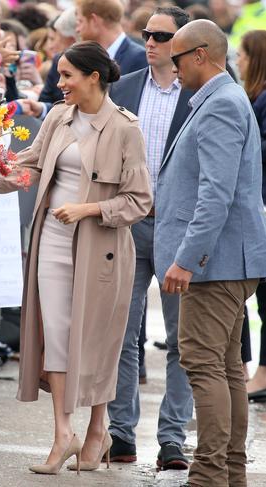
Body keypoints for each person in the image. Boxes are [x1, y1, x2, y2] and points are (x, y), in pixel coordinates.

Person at [0, 40, 152, 475]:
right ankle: (63, 434)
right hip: (53, 240)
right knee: (56, 334)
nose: (59, 84)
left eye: (67, 76)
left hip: (102, 250)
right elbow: (32, 166)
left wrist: (89, 209)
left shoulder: (124, 128)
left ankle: (98, 429)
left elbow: (139, 201)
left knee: (95, 341)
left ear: (93, 77)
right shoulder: (58, 116)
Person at [156, 19, 266, 487]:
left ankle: (208, 475)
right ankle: (229, 473)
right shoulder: (224, 99)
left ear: (201, 54)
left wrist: (187, 258)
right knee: (224, 369)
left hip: (214, 263)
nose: (172, 66)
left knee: (205, 365)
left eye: (177, 58)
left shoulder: (220, 104)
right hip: (225, 260)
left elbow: (215, 195)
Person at [107, 5, 194, 470]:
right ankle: (122, 434)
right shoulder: (123, 87)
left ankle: (173, 439)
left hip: (180, 229)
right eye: (147, 33)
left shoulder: (203, 93)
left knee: (184, 339)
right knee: (122, 332)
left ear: (183, 42)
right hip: (130, 223)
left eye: (161, 34)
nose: (152, 41)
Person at [236, 29, 266, 401]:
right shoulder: (252, 97)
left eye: (242, 54)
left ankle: (261, 372)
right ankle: (249, 368)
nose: (238, 61)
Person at [75, 0, 148, 75]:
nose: (77, 29)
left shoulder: (139, 59)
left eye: (80, 21)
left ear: (94, 21)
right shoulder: (85, 57)